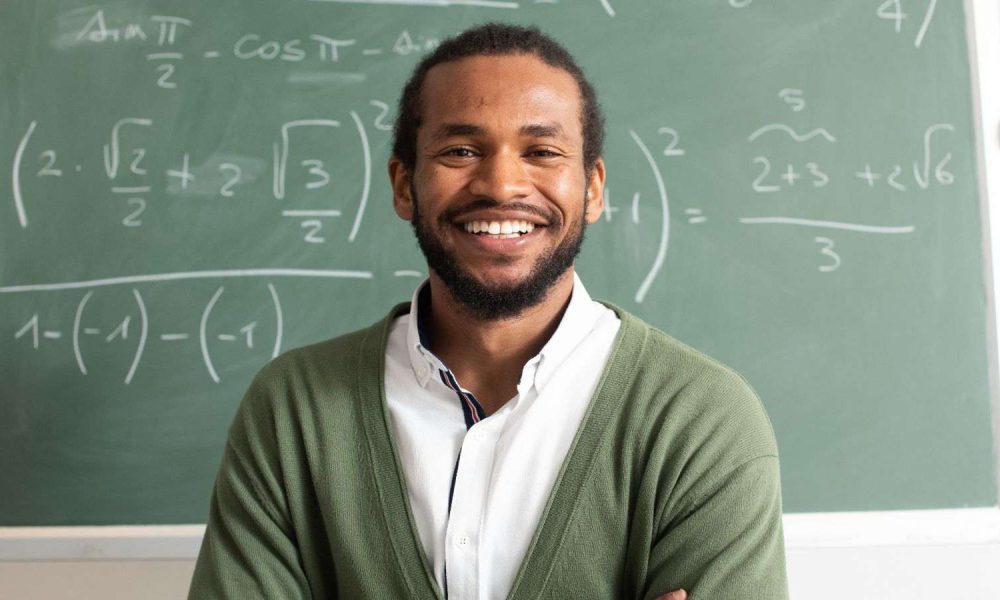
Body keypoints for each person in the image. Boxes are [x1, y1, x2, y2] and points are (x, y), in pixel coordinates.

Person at [188, 23, 788, 600]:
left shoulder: (699, 420)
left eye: (542, 150)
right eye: (460, 149)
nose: (502, 184)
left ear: (594, 188)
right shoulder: (293, 409)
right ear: (404, 185)